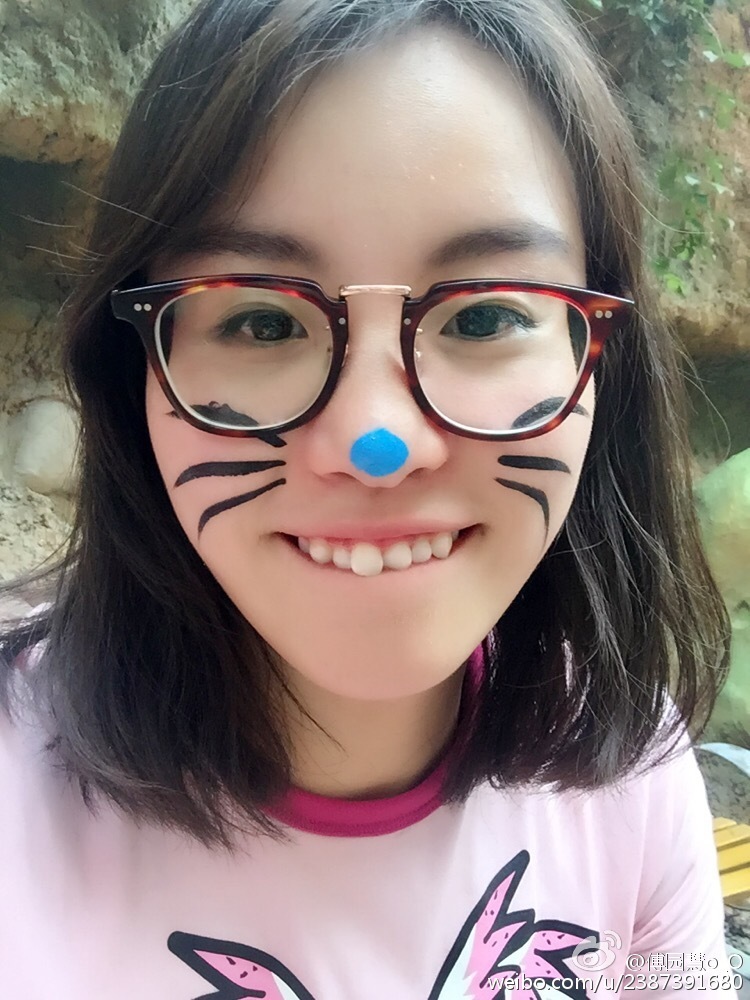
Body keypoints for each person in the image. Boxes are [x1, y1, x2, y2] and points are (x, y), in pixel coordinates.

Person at [0, 0, 741, 996]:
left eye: (484, 316)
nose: (376, 446)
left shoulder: (634, 780)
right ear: (131, 373)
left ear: (602, 361)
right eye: (261, 322)